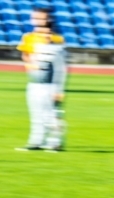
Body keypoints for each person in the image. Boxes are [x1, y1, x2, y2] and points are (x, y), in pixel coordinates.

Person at [16, 7, 67, 152]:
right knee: (36, 114)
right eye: (35, 17)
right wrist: (29, 63)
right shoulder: (28, 37)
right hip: (34, 82)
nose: (37, 20)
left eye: (41, 17)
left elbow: (60, 65)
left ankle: (55, 142)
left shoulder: (56, 39)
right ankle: (36, 141)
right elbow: (25, 54)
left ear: (48, 19)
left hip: (50, 83)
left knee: (52, 114)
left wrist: (59, 89)